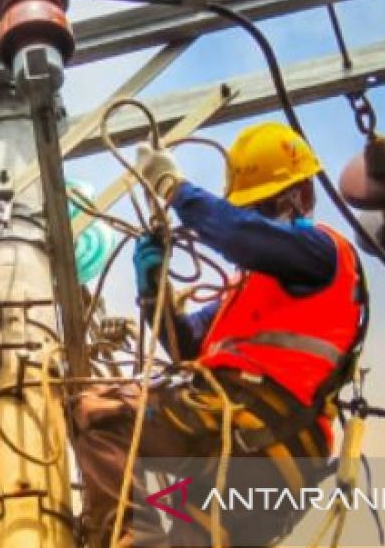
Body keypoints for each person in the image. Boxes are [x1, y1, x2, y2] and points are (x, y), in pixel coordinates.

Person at [72, 122, 369, 546]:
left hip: (262, 430)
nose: (256, 223)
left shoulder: (325, 253)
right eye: (249, 211)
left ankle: (124, 538)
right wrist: (154, 291)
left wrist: (174, 188)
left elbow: (237, 235)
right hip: (250, 460)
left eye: (263, 210)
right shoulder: (245, 294)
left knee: (100, 414)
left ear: (302, 196)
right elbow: (186, 346)